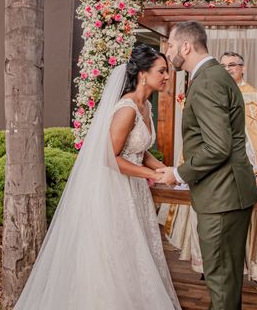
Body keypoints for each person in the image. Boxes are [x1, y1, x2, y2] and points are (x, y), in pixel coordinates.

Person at [14, 44, 181, 310]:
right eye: (162, 71)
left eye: (167, 72)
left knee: (136, 254)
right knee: (115, 255)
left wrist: (164, 169)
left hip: (135, 190)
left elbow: (140, 149)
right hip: (116, 190)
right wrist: (153, 175)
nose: (166, 76)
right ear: (143, 74)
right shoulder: (126, 108)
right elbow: (109, 157)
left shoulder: (146, 106)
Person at [158, 21, 257, 310]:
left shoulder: (208, 81)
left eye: (171, 45)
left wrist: (177, 173)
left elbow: (218, 147)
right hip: (228, 193)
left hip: (222, 196)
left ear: (186, 47)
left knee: (220, 278)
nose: (169, 51)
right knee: (226, 277)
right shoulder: (213, 76)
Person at [220, 51, 257, 281]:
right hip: (218, 166)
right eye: (222, 66)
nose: (228, 69)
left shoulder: (253, 98)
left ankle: (242, 267)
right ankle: (216, 266)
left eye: (232, 65)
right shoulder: (217, 92)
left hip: (242, 165)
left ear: (243, 68)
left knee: (241, 218)